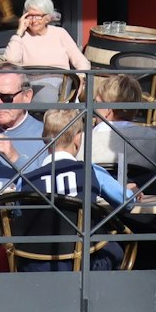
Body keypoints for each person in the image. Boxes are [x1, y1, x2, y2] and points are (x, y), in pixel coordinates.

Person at [16, 106, 137, 272]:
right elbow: (127, 202)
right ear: (78, 138)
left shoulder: (26, 180)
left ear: (44, 138)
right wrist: (133, 191)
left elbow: (17, 216)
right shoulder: (91, 171)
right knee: (114, 248)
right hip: (86, 261)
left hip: (37, 264)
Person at [83, 73, 156, 185]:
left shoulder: (82, 141)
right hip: (145, 199)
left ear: (108, 110)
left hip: (93, 199)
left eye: (96, 102)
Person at [4, 0, 88, 101]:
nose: (34, 21)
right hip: (34, 84)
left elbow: (81, 61)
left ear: (48, 18)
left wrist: (80, 77)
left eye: (38, 16)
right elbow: (10, 60)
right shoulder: (22, 37)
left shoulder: (60, 33)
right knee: (47, 93)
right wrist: (19, 32)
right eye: (30, 16)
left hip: (63, 82)